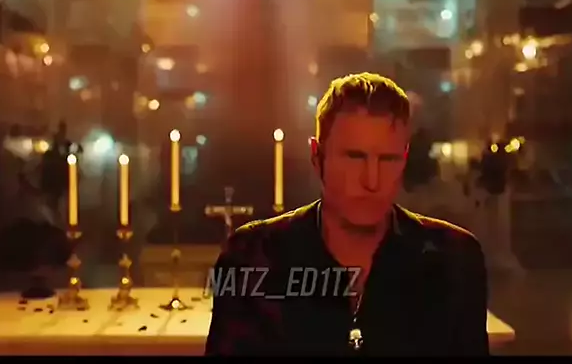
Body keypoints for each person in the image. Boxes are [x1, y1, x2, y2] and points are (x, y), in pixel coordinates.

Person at [206, 72, 489, 356]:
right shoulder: (253, 256)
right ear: (317, 156)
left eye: (387, 159)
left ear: (404, 160)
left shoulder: (453, 259)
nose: (372, 180)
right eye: (355, 157)